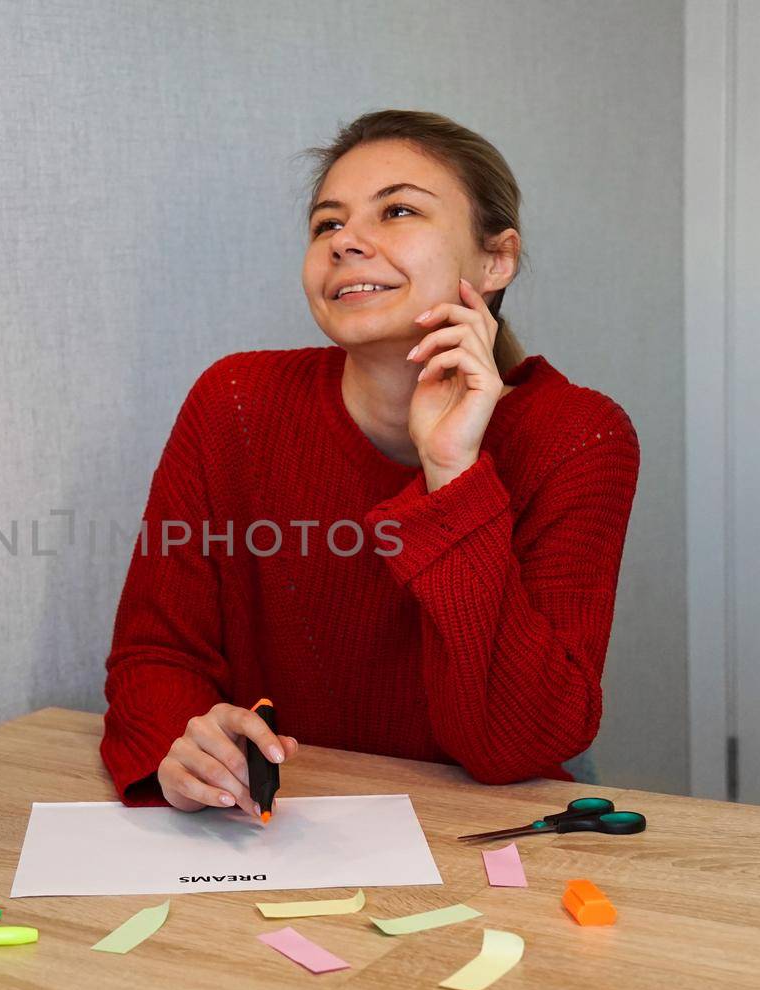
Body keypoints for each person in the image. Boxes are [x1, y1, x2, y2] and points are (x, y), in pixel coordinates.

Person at [100, 109, 640, 814]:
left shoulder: (579, 436)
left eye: (398, 210)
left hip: (482, 836)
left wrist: (452, 473)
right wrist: (189, 747)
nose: (347, 241)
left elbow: (516, 742)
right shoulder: (233, 403)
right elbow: (155, 656)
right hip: (278, 833)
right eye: (327, 224)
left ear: (496, 258)